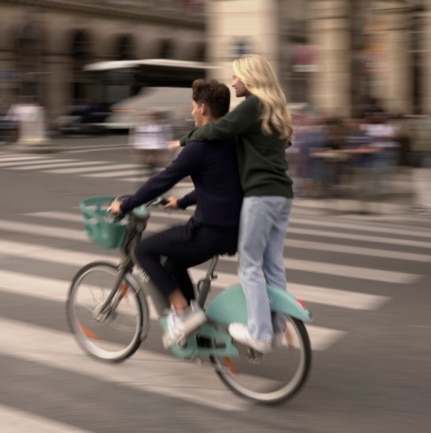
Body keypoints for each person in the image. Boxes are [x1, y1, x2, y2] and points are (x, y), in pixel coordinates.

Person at [170, 54, 294, 353]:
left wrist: (186, 140)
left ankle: (260, 334)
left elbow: (218, 129)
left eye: (237, 76)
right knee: (272, 264)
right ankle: (275, 327)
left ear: (250, 78)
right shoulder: (275, 109)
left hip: (261, 194)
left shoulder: (253, 105)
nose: (233, 81)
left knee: (249, 264)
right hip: (282, 195)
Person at [109, 79, 243, 348]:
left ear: (203, 108)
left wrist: (124, 206)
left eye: (193, 106)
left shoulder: (199, 146)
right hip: (232, 230)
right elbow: (218, 185)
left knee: (144, 250)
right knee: (174, 263)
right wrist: (181, 202)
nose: (191, 111)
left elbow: (162, 179)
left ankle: (182, 312)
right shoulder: (231, 139)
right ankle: (199, 333)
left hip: (209, 231)